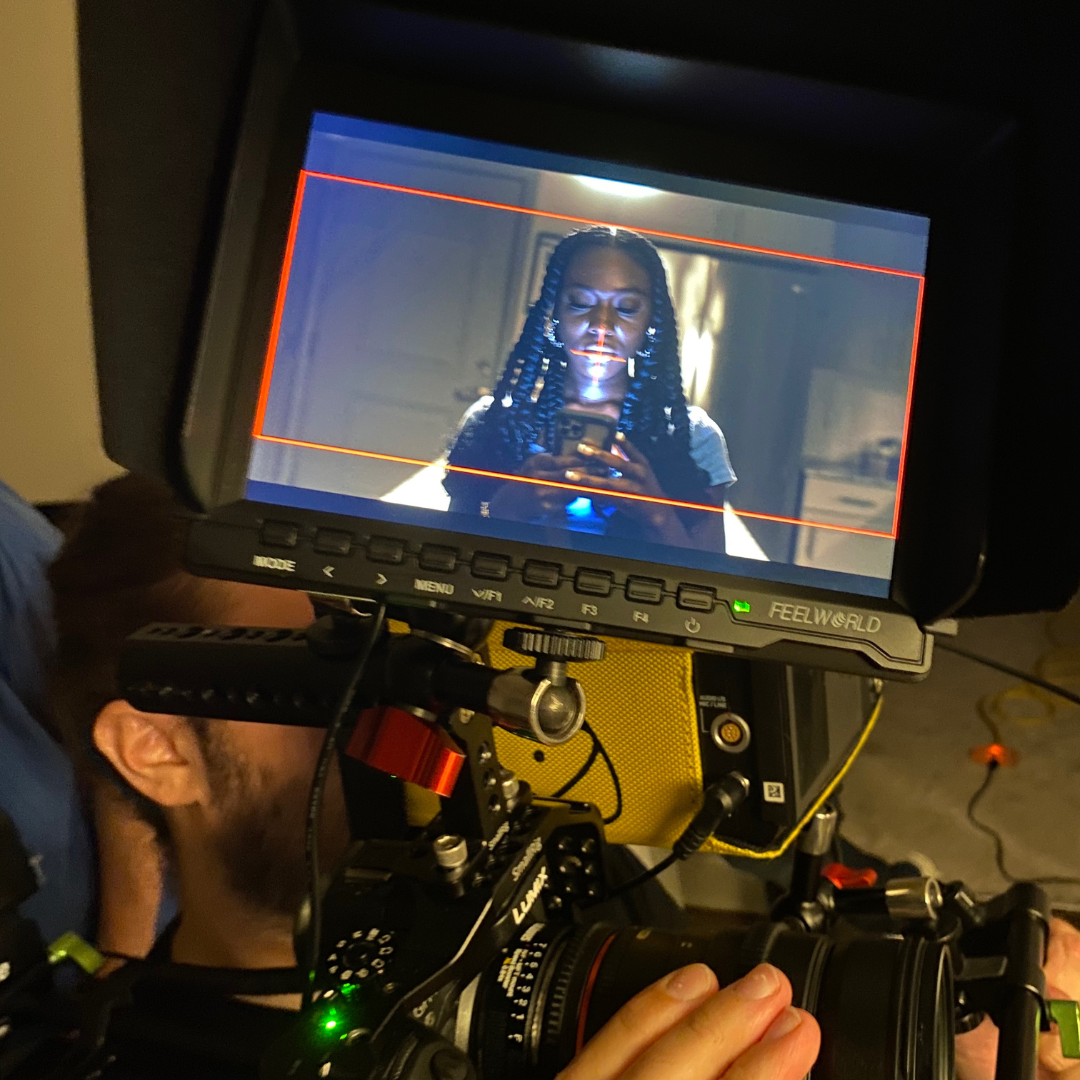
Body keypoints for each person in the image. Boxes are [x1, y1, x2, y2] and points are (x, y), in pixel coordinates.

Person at [444, 226, 735, 551]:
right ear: (554, 316)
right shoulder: (491, 421)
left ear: (650, 324)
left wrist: (656, 514)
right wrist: (506, 510)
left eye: (626, 308)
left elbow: (708, 579)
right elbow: (447, 561)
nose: (602, 326)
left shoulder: (693, 437)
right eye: (580, 302)